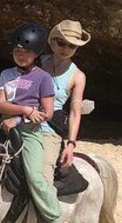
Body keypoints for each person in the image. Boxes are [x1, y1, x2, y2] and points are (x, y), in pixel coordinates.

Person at [0, 23, 73, 223]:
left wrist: (21, 118)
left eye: (27, 52)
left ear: (37, 54)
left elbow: (47, 112)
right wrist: (25, 110)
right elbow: (0, 104)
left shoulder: (43, 78)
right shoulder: (6, 74)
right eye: (18, 50)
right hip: (4, 126)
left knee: (36, 177)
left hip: (30, 133)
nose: (21, 54)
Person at [39, 20, 90, 169]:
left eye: (72, 45)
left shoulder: (78, 76)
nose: (66, 49)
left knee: (43, 172)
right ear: (52, 42)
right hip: (21, 120)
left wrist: (71, 144)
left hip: (48, 130)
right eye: (61, 43)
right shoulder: (36, 62)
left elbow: (75, 111)